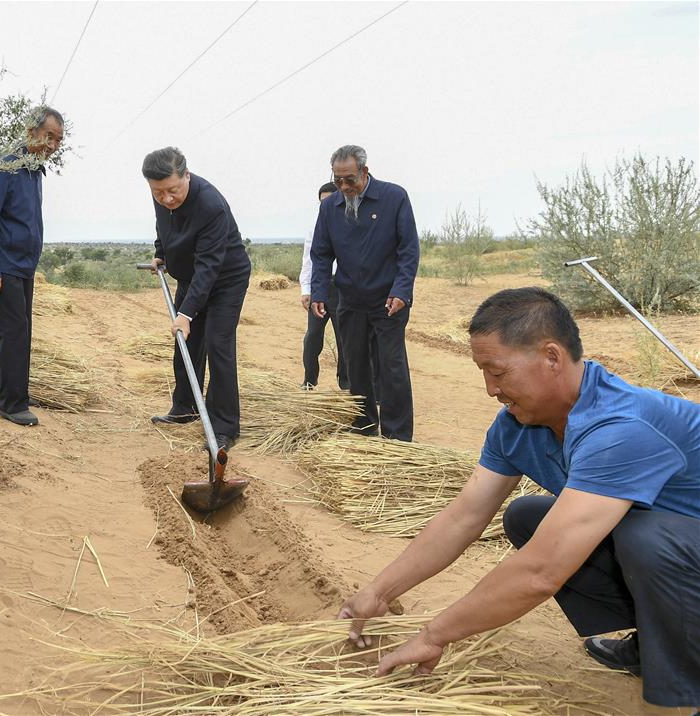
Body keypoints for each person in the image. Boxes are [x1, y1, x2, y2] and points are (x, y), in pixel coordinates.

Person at [338, 287, 700, 711]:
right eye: (483, 372)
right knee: (528, 516)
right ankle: (652, 640)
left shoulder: (619, 428)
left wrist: (433, 635)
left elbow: (542, 571)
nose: (490, 388)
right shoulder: (517, 424)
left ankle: (683, 689)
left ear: (551, 357)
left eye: (498, 371)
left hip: (678, 547)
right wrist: (379, 592)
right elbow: (464, 516)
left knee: (646, 538)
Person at [142, 147, 251, 452]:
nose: (166, 199)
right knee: (186, 343)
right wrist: (161, 252)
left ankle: (224, 427)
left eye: (172, 190)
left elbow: (210, 267)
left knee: (218, 344)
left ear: (186, 175)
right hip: (193, 276)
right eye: (158, 192)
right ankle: (186, 407)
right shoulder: (162, 193)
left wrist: (186, 314)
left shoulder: (210, 205)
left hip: (225, 278)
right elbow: (163, 225)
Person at [310, 145, 419, 440]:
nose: (344, 187)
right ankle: (364, 425)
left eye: (350, 180)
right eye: (338, 181)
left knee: (391, 367)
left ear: (365, 172)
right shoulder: (329, 207)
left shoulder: (394, 198)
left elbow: (409, 250)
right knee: (355, 365)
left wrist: (402, 290)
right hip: (350, 299)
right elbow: (321, 254)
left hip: (388, 301)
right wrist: (319, 292)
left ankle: (397, 436)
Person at [0, 106, 64, 427]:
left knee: (18, 333)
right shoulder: (6, 166)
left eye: (58, 140)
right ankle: (13, 404)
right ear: (31, 132)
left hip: (23, 267)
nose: (53, 145)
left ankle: (6, 390)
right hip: (4, 266)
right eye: (48, 136)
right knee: (14, 334)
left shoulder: (34, 171)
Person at [299, 182, 348, 390]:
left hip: (343, 289)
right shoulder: (315, 228)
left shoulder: (349, 225)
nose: (325, 206)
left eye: (329, 201)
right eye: (321, 202)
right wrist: (306, 290)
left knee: (343, 338)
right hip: (320, 288)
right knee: (312, 337)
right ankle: (309, 380)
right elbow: (308, 260)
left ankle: (346, 382)